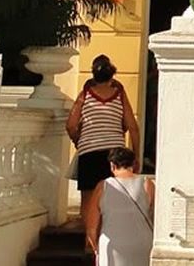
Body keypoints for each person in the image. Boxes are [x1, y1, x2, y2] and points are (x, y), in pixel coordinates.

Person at [66, 55, 141, 242]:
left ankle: (89, 243)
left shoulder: (85, 94)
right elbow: (132, 126)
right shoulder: (119, 94)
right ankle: (111, 239)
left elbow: (71, 125)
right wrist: (136, 155)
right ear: (112, 75)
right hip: (113, 154)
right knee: (114, 197)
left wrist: (79, 141)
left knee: (88, 200)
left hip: (88, 153)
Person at [86, 146, 154, 266]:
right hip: (142, 243)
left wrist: (96, 249)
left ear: (112, 165)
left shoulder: (103, 186)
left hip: (112, 243)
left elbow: (91, 227)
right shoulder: (147, 183)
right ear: (134, 164)